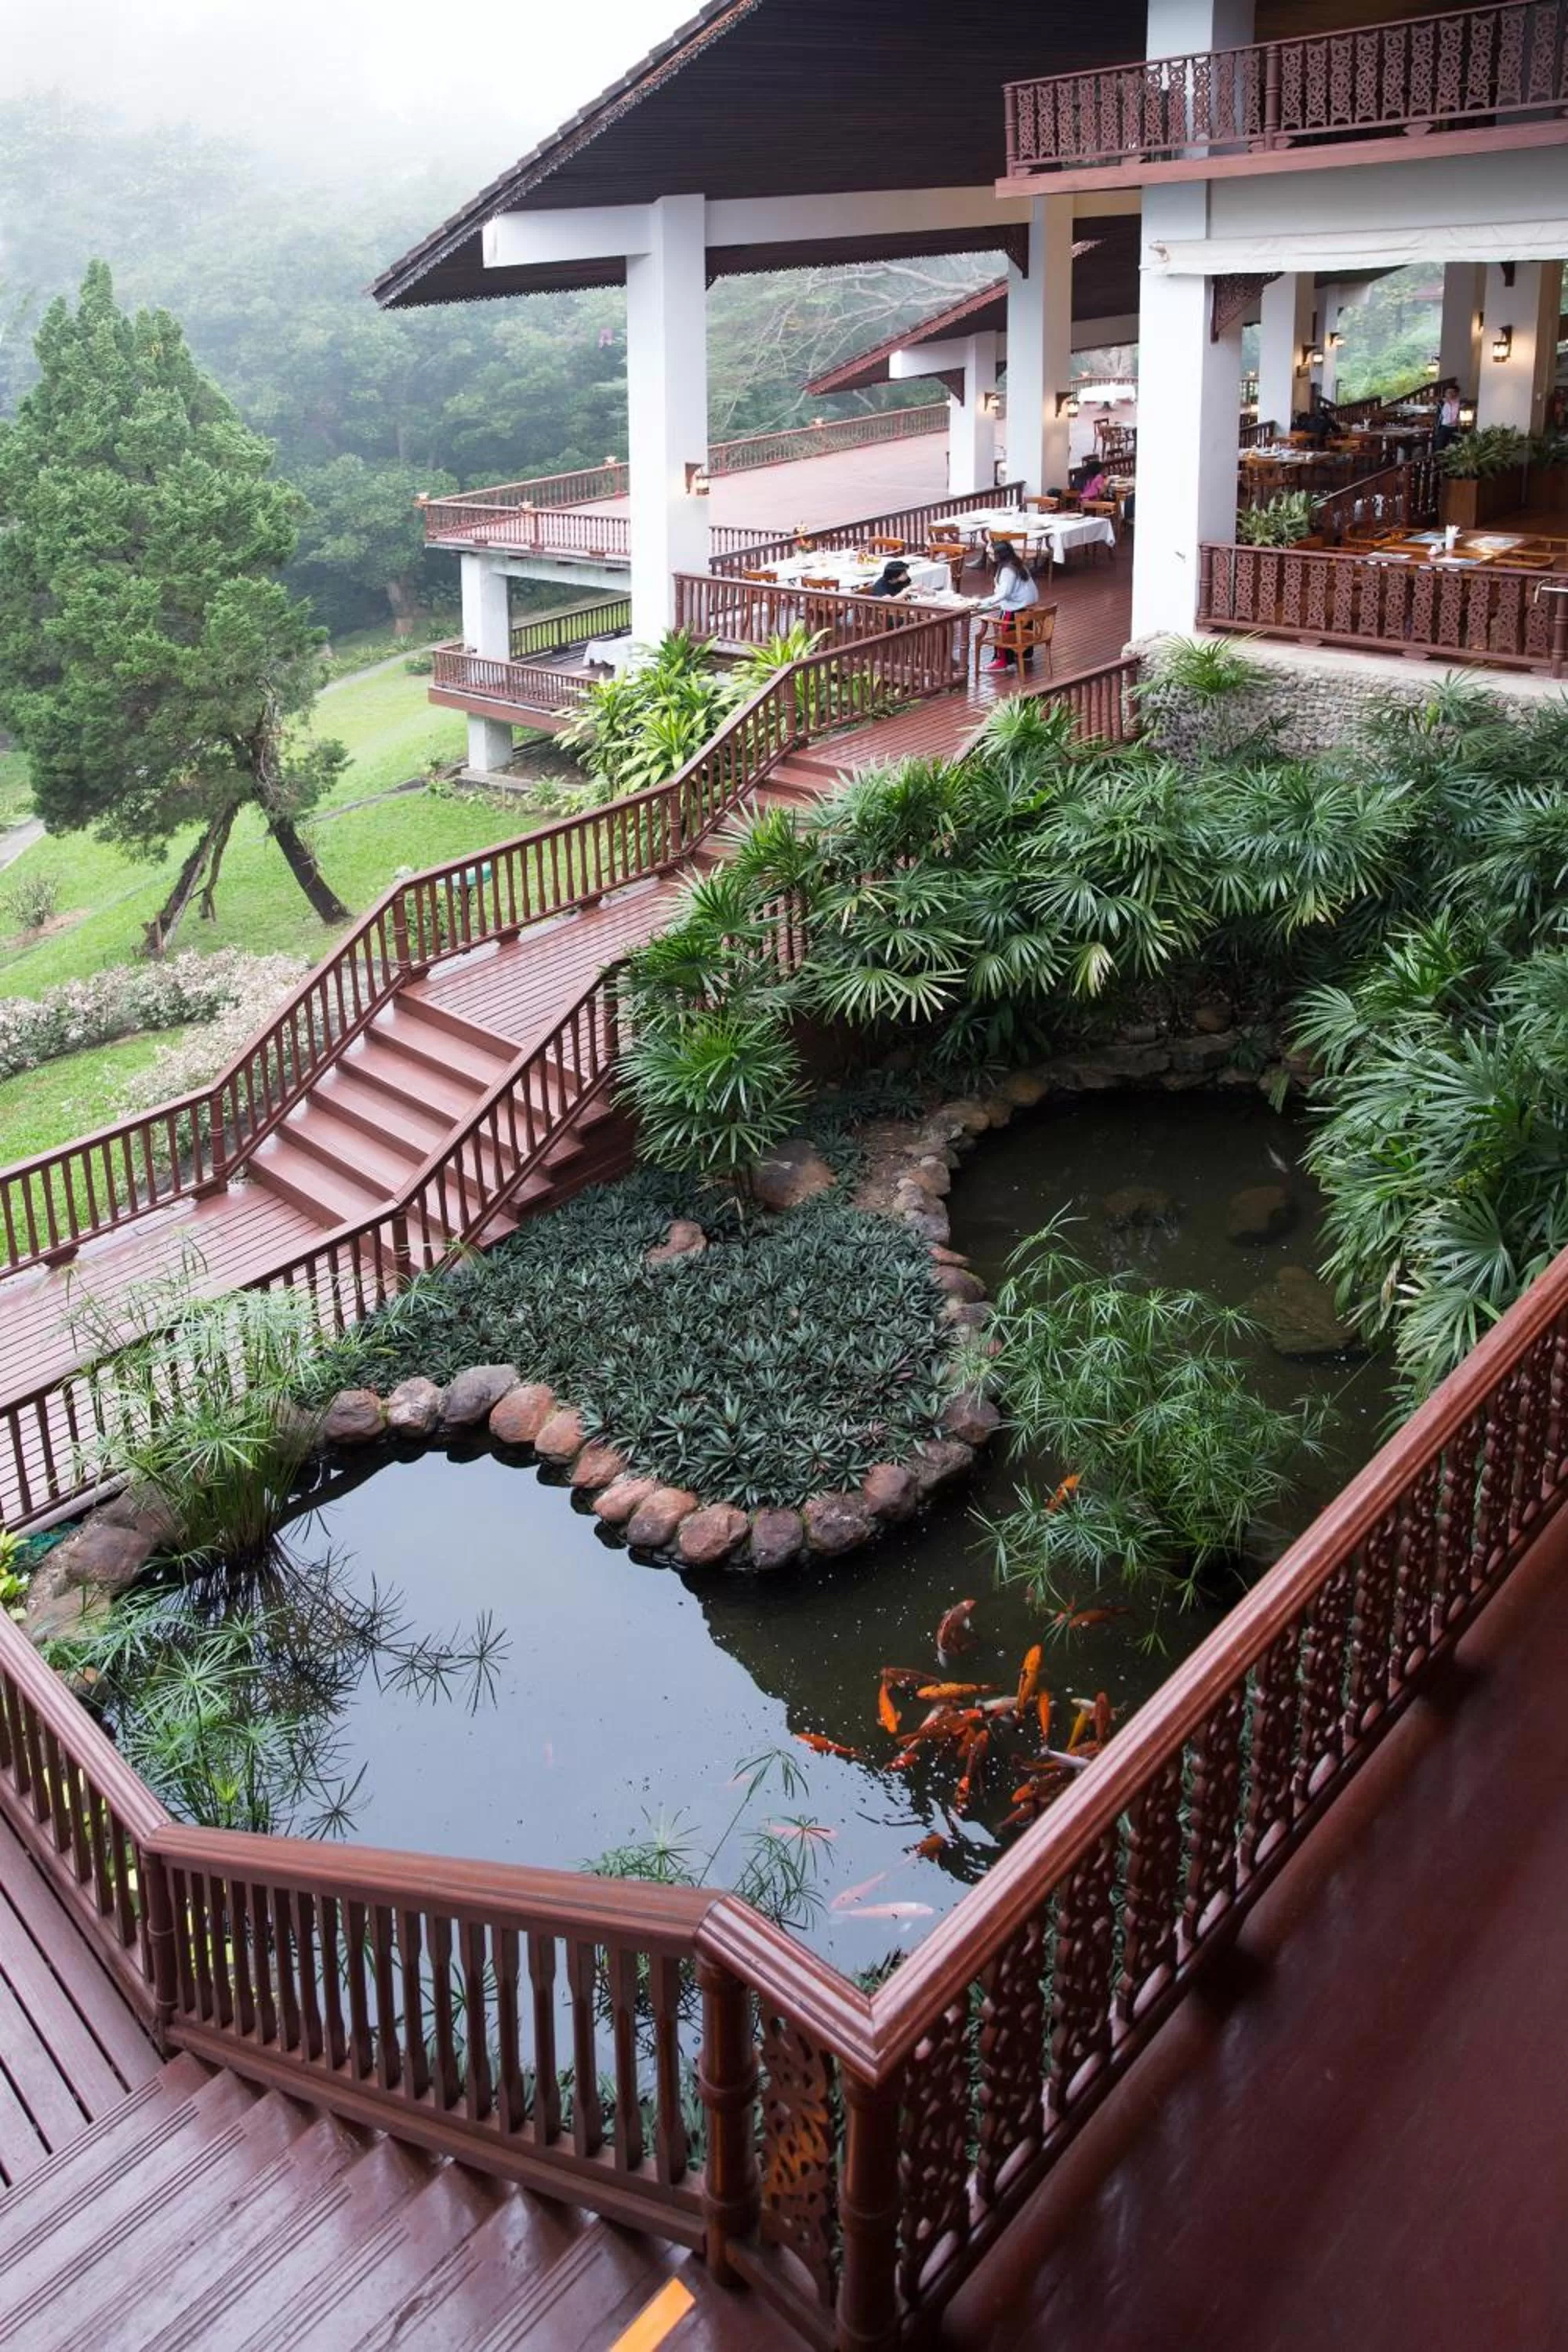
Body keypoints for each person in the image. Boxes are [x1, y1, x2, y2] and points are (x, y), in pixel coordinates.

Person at [978, 538, 1039, 671]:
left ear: (1000, 555)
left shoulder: (1007, 570)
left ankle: (1002, 661)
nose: (989, 556)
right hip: (1027, 605)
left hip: (1015, 606)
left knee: (1002, 630)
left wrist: (984, 603)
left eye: (992, 554)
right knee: (1023, 628)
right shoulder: (1017, 564)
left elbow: (1004, 593)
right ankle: (1025, 654)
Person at [1436, 379, 1464, 452]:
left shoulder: (1461, 403)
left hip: (1456, 427)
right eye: (1448, 392)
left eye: (1452, 392)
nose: (1450, 394)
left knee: (1456, 447)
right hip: (1444, 427)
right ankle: (1440, 462)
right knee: (1439, 446)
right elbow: (1438, 416)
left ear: (1457, 393)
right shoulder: (1441, 403)